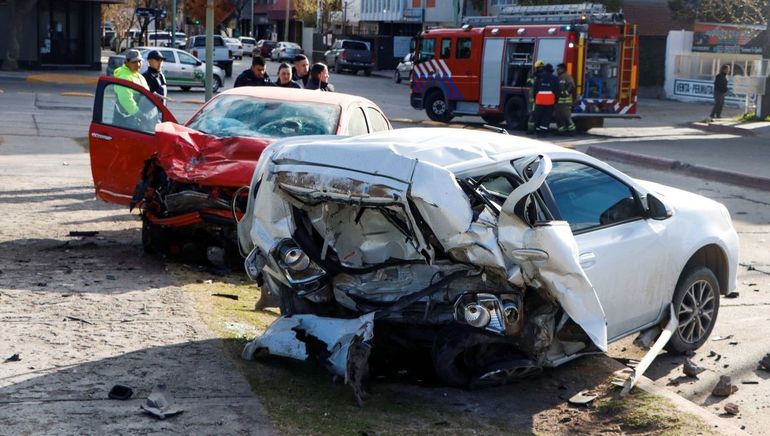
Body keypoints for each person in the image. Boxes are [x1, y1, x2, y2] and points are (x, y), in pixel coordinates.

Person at [113, 49, 151, 130]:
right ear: (126, 62)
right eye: (134, 62)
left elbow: (147, 94)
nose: (138, 64)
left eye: (139, 61)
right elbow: (126, 100)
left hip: (135, 121)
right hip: (125, 122)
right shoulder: (124, 77)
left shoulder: (139, 76)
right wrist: (140, 114)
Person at [532, 63, 559, 136]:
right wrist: (556, 100)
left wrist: (535, 98)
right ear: (551, 70)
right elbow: (557, 91)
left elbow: (535, 89)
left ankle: (537, 131)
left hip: (539, 101)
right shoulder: (555, 78)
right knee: (546, 118)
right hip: (549, 102)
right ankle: (543, 133)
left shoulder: (539, 77)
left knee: (538, 116)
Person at [555, 63, 576, 134]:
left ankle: (572, 131)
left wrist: (566, 93)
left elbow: (572, 86)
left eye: (558, 69)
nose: (557, 70)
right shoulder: (558, 77)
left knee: (567, 117)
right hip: (558, 102)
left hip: (566, 102)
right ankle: (561, 131)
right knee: (558, 117)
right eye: (557, 69)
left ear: (563, 69)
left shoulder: (567, 77)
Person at [526, 60, 545, 133]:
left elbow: (529, 83)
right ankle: (533, 129)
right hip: (537, 99)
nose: (540, 69)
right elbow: (528, 83)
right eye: (539, 68)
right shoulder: (534, 75)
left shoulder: (537, 76)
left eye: (541, 68)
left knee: (534, 115)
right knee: (534, 114)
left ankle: (533, 130)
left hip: (537, 98)